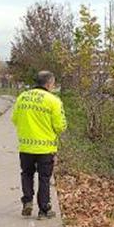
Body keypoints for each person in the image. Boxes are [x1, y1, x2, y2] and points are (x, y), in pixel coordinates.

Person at [11, 71, 67, 219]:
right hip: (45, 148)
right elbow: (60, 126)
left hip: (26, 146)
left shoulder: (22, 97)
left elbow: (15, 119)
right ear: (49, 83)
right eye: (53, 83)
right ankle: (44, 210)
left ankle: (27, 201)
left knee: (27, 174)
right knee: (44, 178)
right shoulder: (53, 101)